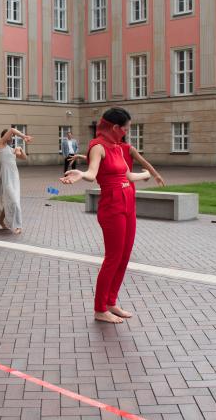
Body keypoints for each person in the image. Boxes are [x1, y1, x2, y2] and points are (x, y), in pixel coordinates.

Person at [61, 107, 150, 324]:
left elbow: (126, 174)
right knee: (113, 257)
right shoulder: (98, 147)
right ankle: (100, 308)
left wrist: (145, 174)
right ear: (115, 127)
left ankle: (111, 301)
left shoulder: (118, 148)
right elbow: (92, 173)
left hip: (128, 202)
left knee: (125, 255)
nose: (126, 132)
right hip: (112, 204)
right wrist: (80, 174)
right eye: (125, 129)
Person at [0, 128, 32, 235]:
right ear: (5, 137)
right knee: (14, 201)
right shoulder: (1, 145)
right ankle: (18, 225)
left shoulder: (12, 150)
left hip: (15, 178)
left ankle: (0, 220)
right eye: (10, 137)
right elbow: (11, 130)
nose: (12, 138)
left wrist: (20, 148)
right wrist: (23, 136)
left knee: (10, 200)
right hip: (6, 178)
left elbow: (24, 158)